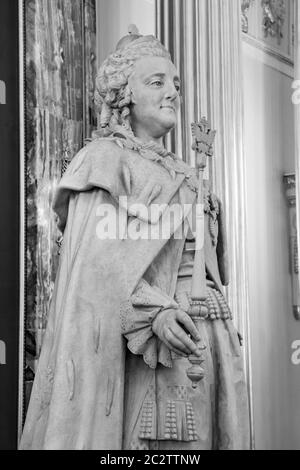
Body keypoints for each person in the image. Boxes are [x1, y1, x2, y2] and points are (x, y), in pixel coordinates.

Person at [20, 29, 250, 450]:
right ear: (124, 96)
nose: (172, 93)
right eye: (157, 82)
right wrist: (157, 313)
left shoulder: (187, 171)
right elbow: (97, 276)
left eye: (176, 84)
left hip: (209, 340)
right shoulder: (106, 160)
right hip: (152, 351)